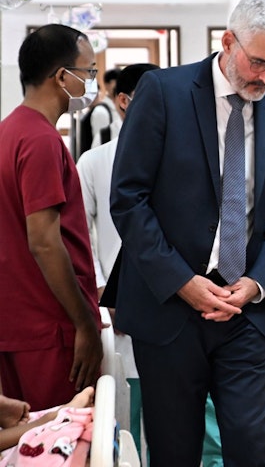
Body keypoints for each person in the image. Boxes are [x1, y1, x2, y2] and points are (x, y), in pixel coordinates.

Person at [110, 0, 265, 466]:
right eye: (259, 63)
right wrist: (183, 282)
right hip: (172, 308)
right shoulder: (163, 92)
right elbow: (128, 200)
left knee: (254, 445)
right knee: (176, 449)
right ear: (229, 41)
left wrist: (258, 282)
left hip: (246, 311)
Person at [0, 24, 103, 411]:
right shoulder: (42, 141)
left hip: (17, 323)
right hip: (50, 327)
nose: (93, 82)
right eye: (89, 72)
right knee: (59, 440)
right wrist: (83, 323)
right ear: (63, 76)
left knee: (28, 443)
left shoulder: (8, 131)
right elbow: (44, 241)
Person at [76, 62, 158, 455]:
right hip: (117, 303)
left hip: (178, 302)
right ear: (125, 102)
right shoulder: (94, 162)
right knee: (126, 410)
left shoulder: (181, 156)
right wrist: (101, 286)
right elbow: (76, 234)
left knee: (189, 412)